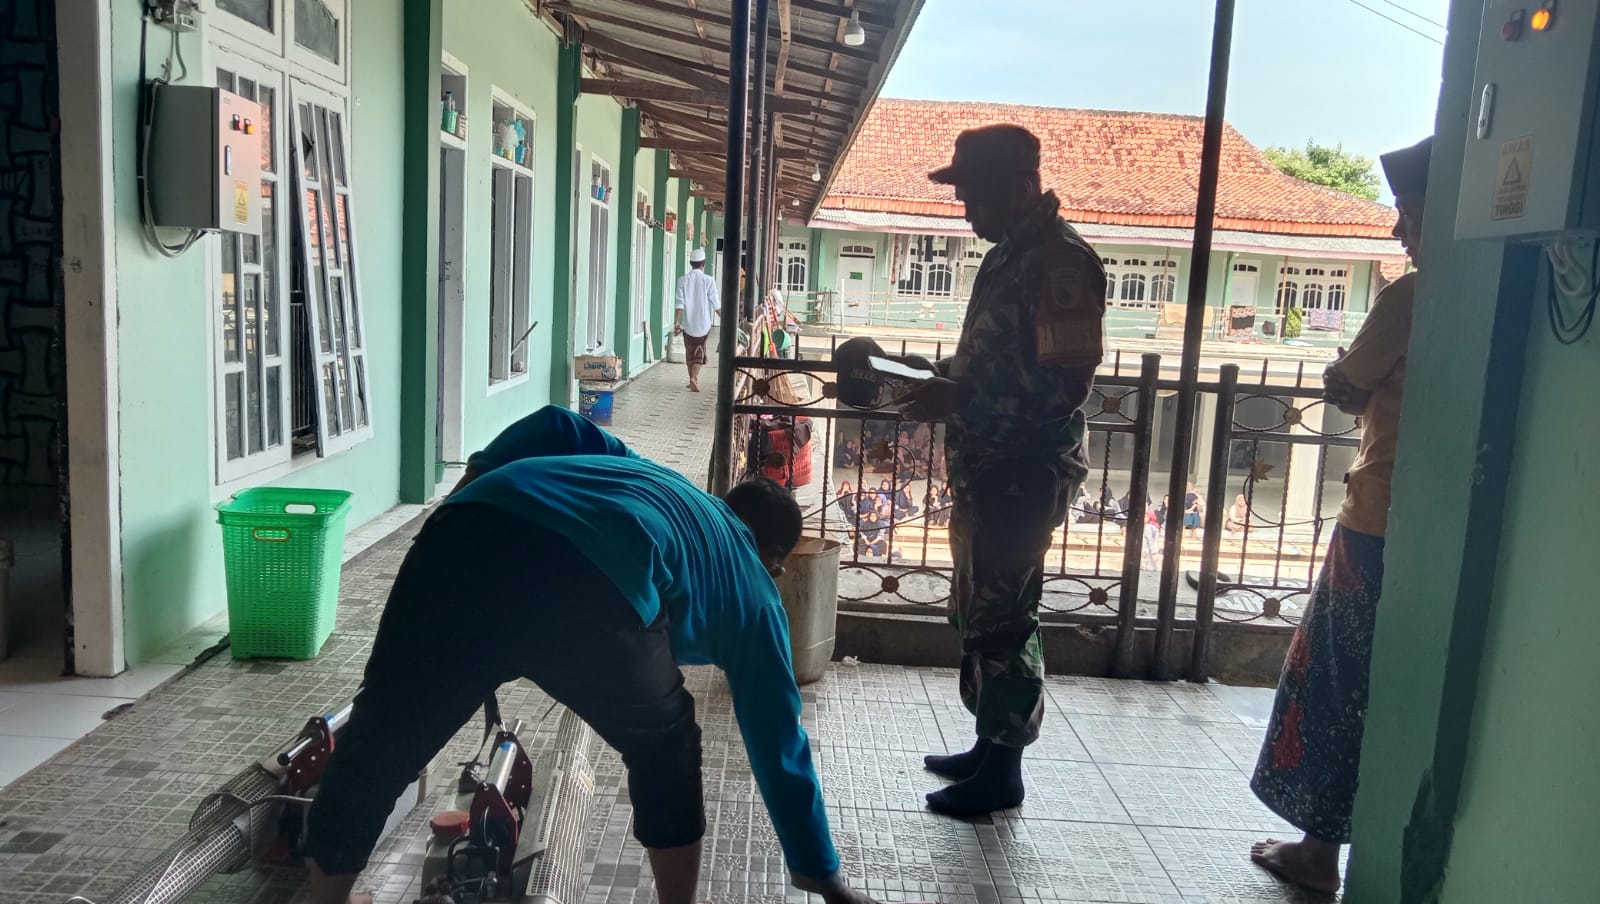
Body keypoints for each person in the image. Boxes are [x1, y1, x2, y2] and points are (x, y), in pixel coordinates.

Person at [303, 406, 879, 904]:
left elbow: (559, 423)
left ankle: (328, 896)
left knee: (382, 737)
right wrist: (820, 871)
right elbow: (778, 736)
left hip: (462, 530)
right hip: (595, 581)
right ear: (773, 559)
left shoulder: (657, 480)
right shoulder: (755, 587)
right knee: (666, 746)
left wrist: (472, 481)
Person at [896, 124, 1106, 817]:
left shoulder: (1062, 263)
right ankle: (989, 744)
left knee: (1006, 617)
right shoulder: (1006, 258)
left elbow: (1065, 386)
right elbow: (994, 358)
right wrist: (938, 377)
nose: (967, 210)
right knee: (979, 610)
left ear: (1020, 187)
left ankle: (1004, 771)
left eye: (976, 194)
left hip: (1025, 470)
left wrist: (962, 397)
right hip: (987, 466)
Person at [1249, 136, 1432, 896]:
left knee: (1334, 681)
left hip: (1378, 519)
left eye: (1410, 213)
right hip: (1439, 529)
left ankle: (1318, 850)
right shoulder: (1490, 293)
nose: (1398, 230)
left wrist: (1358, 380)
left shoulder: (1413, 295)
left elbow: (1345, 382)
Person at [674, 247, 719, 392]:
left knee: (689, 351)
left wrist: (676, 322)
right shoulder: (708, 280)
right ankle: (694, 378)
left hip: (688, 324)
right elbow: (716, 303)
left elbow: (680, 303)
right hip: (703, 324)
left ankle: (692, 379)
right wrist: (725, 320)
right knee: (699, 351)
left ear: (691, 263)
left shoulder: (682, 280)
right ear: (703, 264)